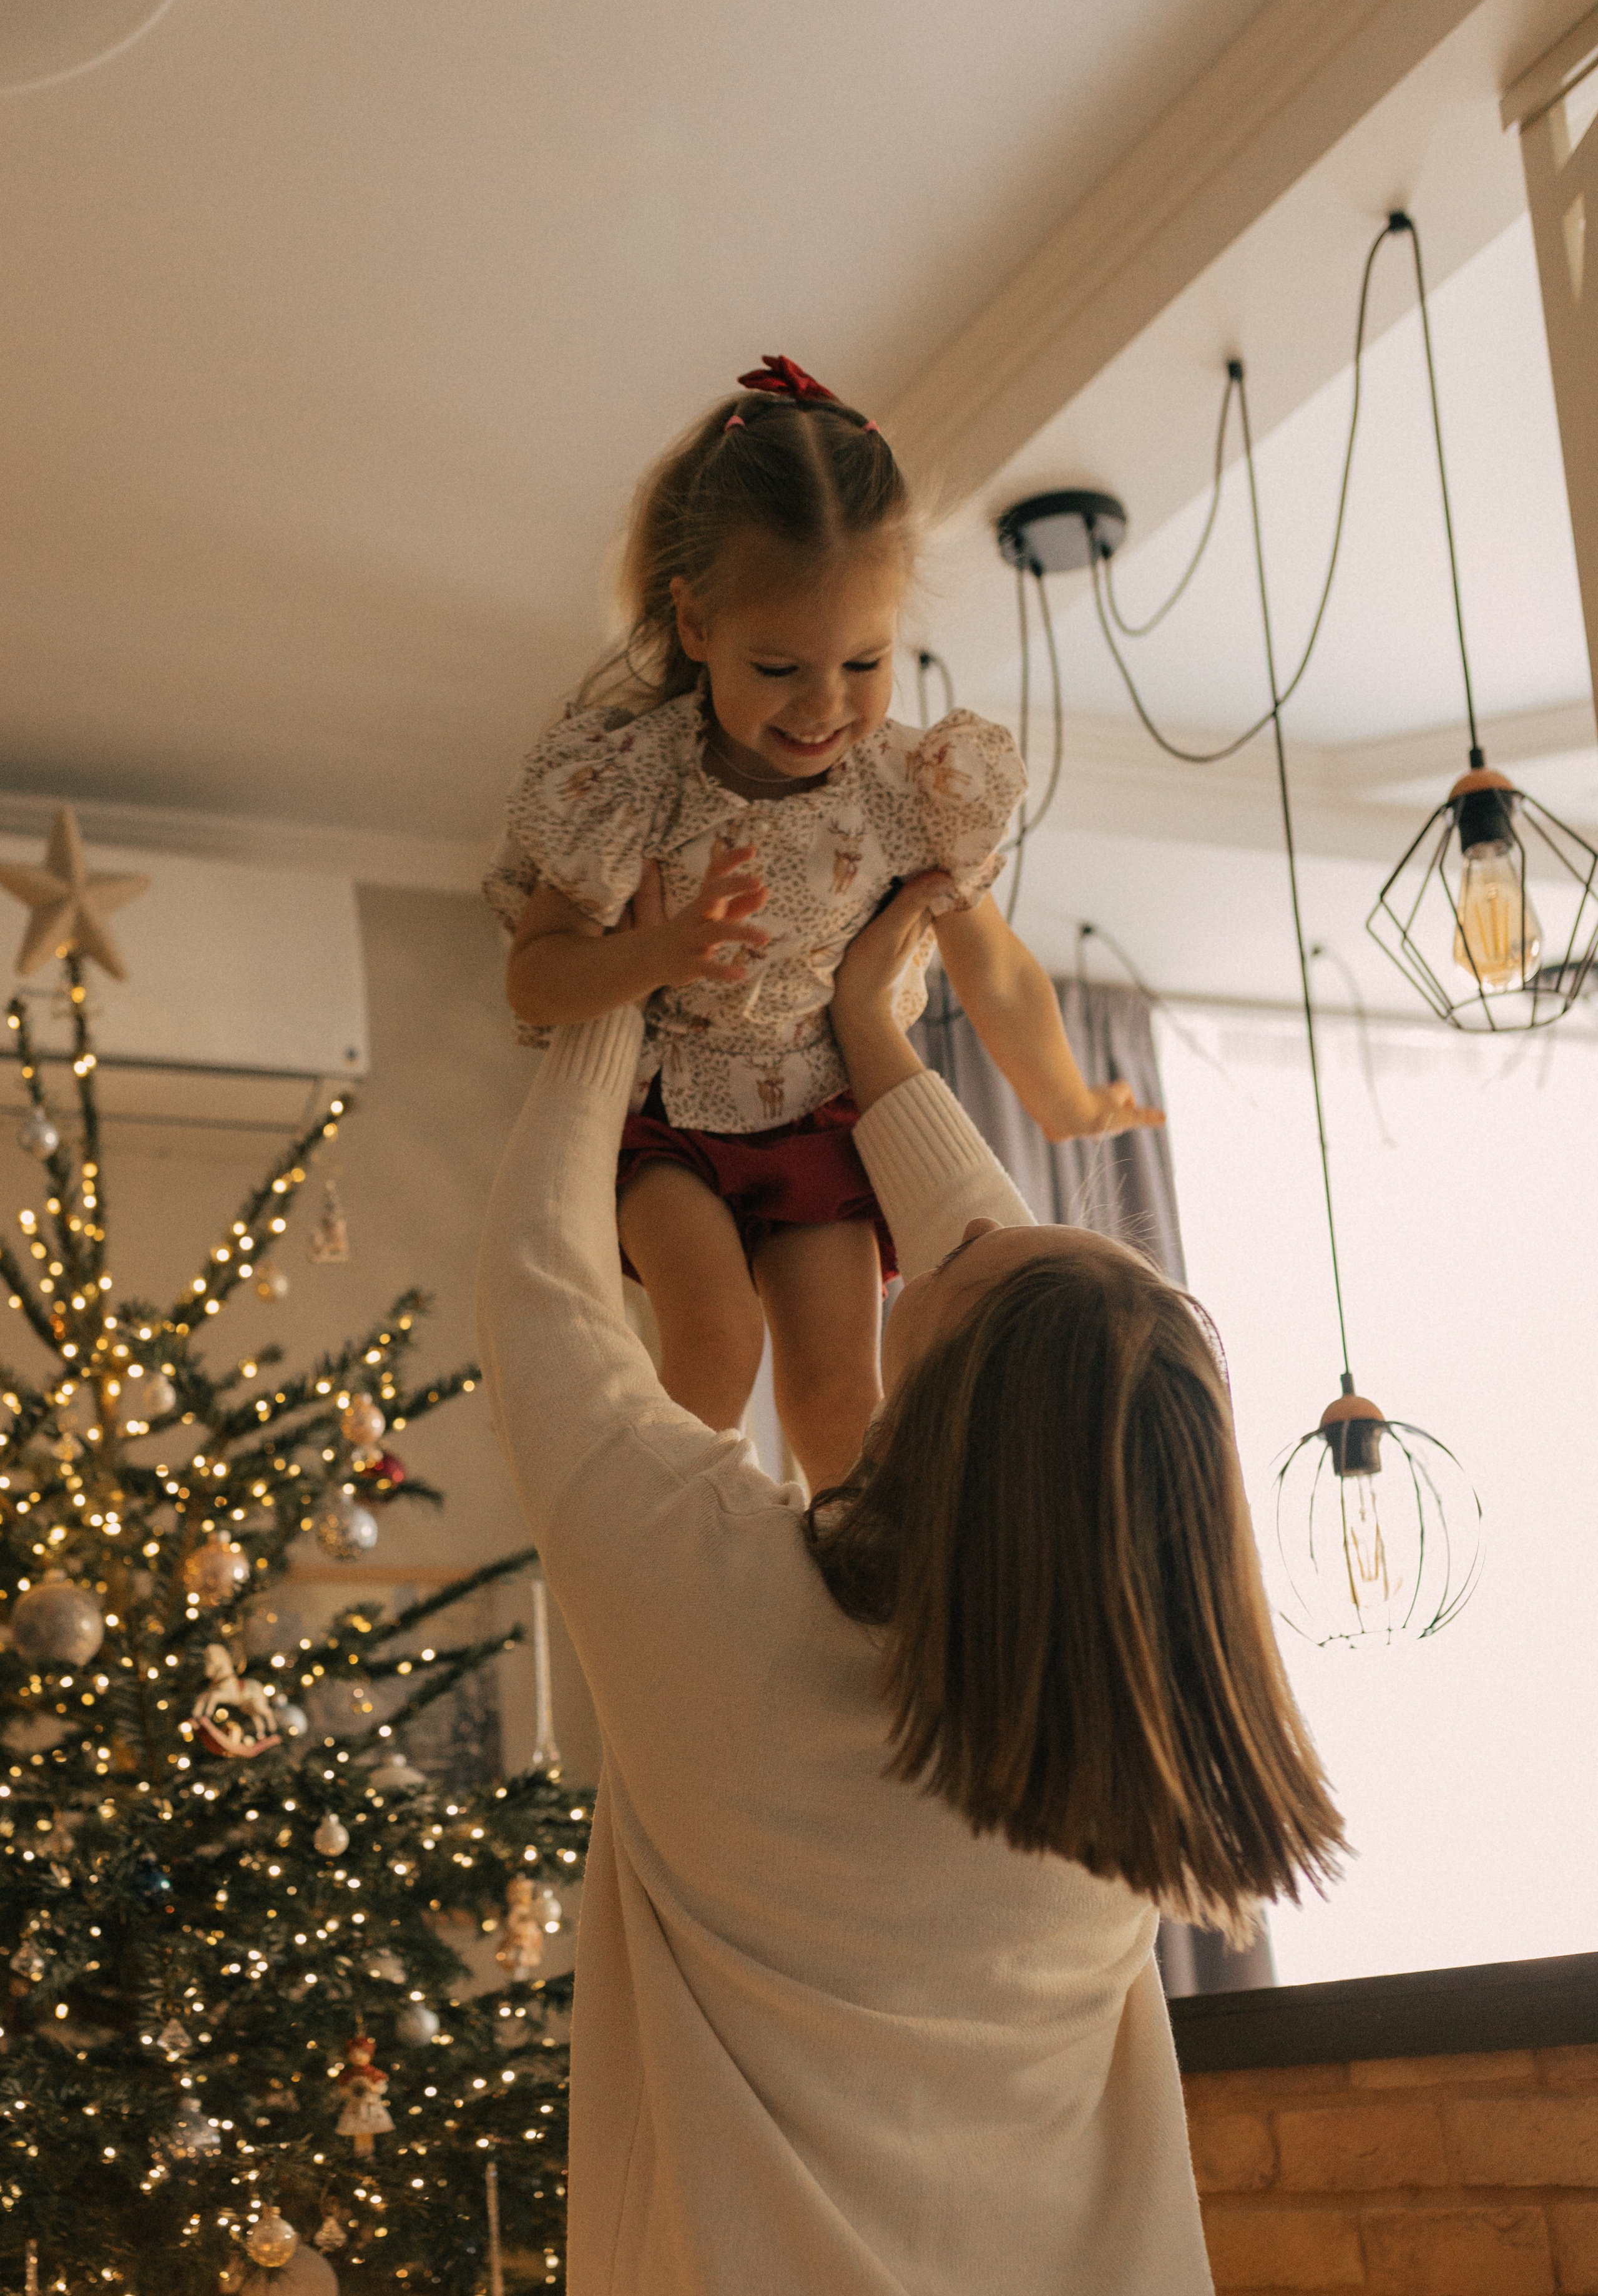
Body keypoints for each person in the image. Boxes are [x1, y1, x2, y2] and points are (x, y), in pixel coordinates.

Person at [476, 866, 1345, 2296]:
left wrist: (612, 994)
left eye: (954, 1267)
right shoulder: (1119, 1765)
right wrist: (865, 1027)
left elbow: (546, 1285)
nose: (947, 1240)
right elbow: (1024, 1337)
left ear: (942, 1425)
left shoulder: (718, 1608)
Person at [484, 354, 1162, 1489]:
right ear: (695, 623)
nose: (825, 704)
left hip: (820, 1119)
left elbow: (992, 965)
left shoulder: (909, 790)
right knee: (717, 1340)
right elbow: (534, 976)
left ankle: (846, 1568)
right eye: (778, 665)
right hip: (671, 1120)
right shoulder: (635, 782)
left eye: (864, 661)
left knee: (842, 1393)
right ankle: (679, 1552)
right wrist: (657, 952)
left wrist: (1063, 1096)